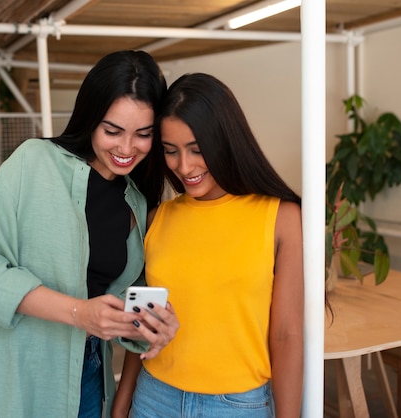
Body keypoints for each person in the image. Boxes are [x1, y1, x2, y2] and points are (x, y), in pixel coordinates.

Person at [0, 50, 179, 418]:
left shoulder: (136, 202)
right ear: (90, 118)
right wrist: (79, 313)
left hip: (88, 376)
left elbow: (116, 295)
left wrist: (148, 323)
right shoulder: (32, 162)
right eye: (112, 131)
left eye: (143, 135)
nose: (126, 148)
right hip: (12, 375)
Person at [113, 73, 304, 418]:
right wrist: (121, 404)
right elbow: (144, 324)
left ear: (226, 141)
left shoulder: (281, 217)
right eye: (170, 151)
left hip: (237, 406)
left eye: (197, 150)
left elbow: (287, 335)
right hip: (154, 399)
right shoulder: (157, 219)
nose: (184, 167)